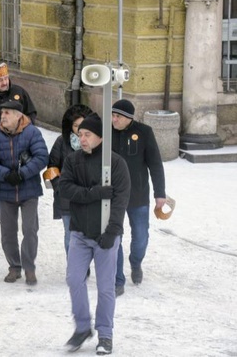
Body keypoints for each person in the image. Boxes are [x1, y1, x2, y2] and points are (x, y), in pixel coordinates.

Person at [57, 113, 131, 355]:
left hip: (105, 236)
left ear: (100, 137)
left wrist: (113, 231)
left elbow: (120, 200)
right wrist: (95, 193)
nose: (82, 139)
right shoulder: (73, 160)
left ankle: (105, 334)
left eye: (87, 134)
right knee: (74, 279)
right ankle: (82, 327)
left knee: (106, 287)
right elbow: (65, 188)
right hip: (80, 232)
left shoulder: (116, 163)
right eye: (80, 135)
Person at [0, 100, 48, 285]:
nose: (3, 116)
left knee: (29, 230)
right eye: (2, 112)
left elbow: (42, 156)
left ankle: (29, 267)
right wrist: (5, 175)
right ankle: (14, 266)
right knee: (8, 233)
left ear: (19, 115)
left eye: (8, 113)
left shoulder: (32, 132)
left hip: (29, 190)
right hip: (5, 191)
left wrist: (22, 174)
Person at [110, 99, 167, 295]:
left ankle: (136, 262)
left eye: (117, 116)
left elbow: (155, 164)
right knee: (114, 237)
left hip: (138, 195)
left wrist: (160, 194)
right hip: (113, 195)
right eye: (112, 115)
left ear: (128, 118)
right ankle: (118, 279)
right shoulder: (106, 133)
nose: (113, 119)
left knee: (141, 238)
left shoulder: (144, 132)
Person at [46, 104, 93, 255]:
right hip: (67, 199)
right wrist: (60, 188)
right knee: (70, 236)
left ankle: (84, 263)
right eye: (76, 125)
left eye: (83, 125)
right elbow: (52, 168)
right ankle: (75, 268)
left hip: (89, 198)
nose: (80, 130)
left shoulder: (96, 142)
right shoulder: (61, 142)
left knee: (88, 236)